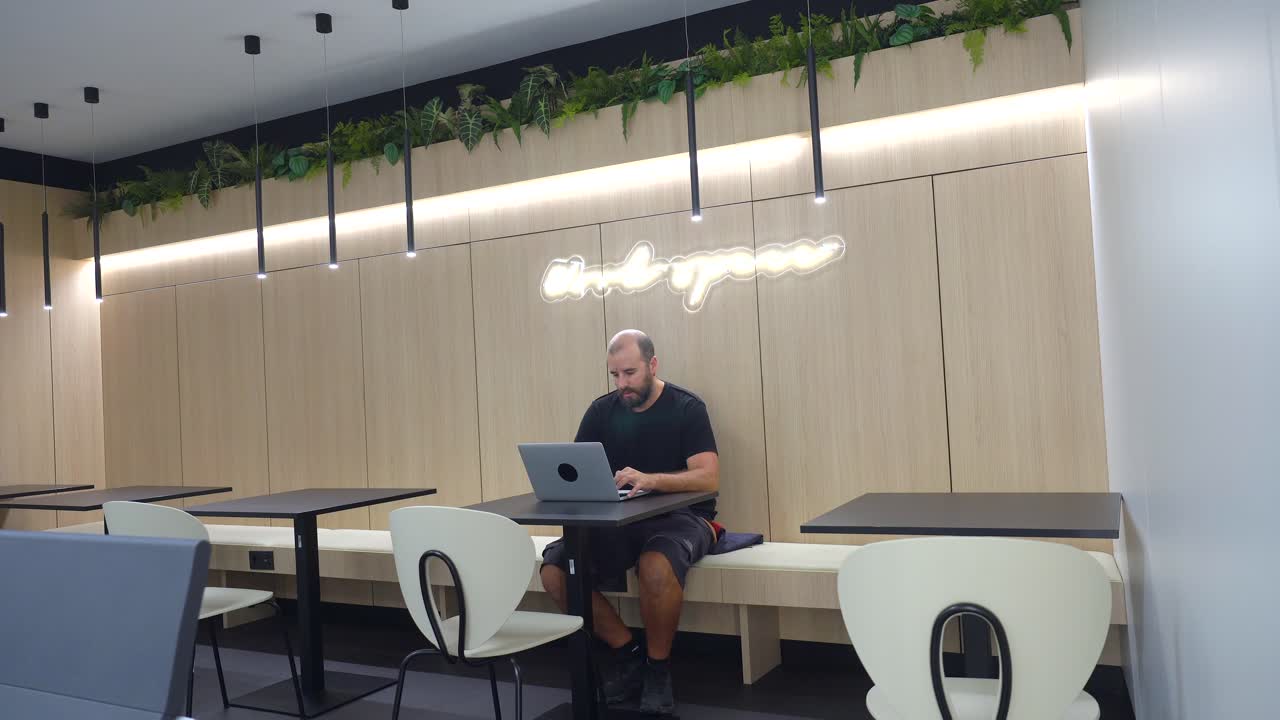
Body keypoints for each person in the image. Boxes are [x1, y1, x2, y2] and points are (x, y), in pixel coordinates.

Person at [539, 329, 720, 715]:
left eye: (630, 373)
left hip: (682, 516)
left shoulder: (687, 408)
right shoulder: (601, 411)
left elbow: (708, 478)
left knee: (654, 567)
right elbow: (572, 472)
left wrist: (653, 480)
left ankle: (658, 670)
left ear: (653, 365)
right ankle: (628, 654)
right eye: (615, 375)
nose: (622, 384)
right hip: (619, 518)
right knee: (556, 570)